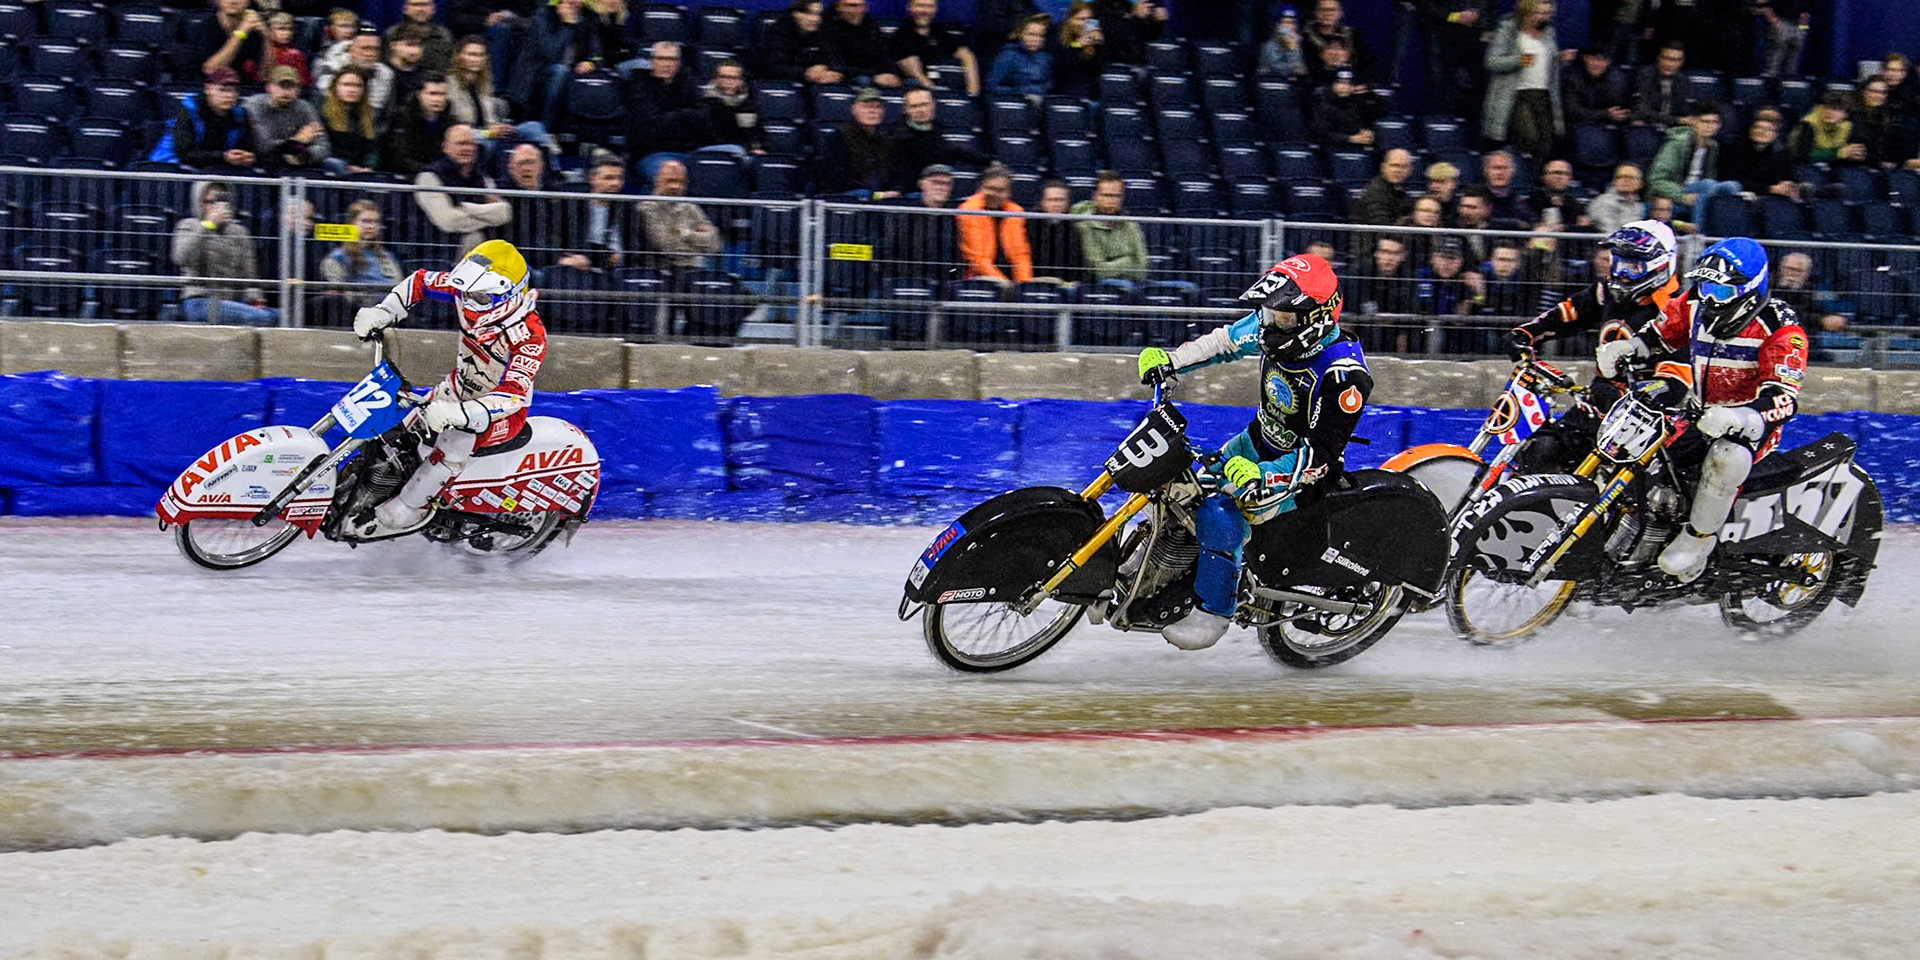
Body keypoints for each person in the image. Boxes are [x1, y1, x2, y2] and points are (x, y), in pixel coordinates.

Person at [1134, 254, 1372, 649]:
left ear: (1316, 317)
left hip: (1298, 475)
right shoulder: (1272, 323)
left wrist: (1264, 475)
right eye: (1267, 311)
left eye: (1282, 317)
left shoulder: (1343, 377)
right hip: (1255, 441)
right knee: (1176, 483)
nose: (1268, 322)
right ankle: (1146, 568)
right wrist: (1172, 361)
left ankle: (1213, 612)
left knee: (1218, 513)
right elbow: (1226, 341)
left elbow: (1321, 456)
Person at [1595, 237, 1807, 582]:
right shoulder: (1693, 302)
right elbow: (1662, 334)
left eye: (1720, 292)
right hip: (1697, 412)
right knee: (1640, 447)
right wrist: (1629, 347)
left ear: (1749, 289)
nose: (1709, 298)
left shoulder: (1781, 328)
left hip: (1749, 426)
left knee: (1727, 458)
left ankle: (1698, 541)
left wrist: (1740, 417)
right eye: (1706, 286)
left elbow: (1784, 399)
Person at [347, 239, 548, 539]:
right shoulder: (467, 292)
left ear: (510, 294)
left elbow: (513, 394)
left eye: (478, 296)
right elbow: (420, 281)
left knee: (455, 440)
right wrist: (385, 311)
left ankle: (407, 508)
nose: (467, 302)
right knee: (398, 428)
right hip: (458, 387)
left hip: (501, 412)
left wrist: (462, 413)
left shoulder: (530, 335)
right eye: (465, 292)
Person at [1508, 220, 1677, 470]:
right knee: (1542, 450)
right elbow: (1570, 312)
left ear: (1659, 266)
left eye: (1633, 267)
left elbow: (1678, 375)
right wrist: (1527, 332)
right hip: (1596, 405)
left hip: (1644, 422)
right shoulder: (1607, 291)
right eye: (1618, 264)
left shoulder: (1675, 310)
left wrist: (1640, 393)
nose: (1621, 274)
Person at [172, 182, 280, 326]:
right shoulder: (188, 226)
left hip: (232, 301)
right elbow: (181, 257)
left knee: (283, 316)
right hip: (199, 300)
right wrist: (208, 225)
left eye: (222, 201)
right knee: (263, 318)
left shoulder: (239, 232)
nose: (216, 207)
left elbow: (249, 275)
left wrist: (254, 297)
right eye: (210, 202)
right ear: (199, 203)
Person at [1481, 0, 1563, 166]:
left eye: (1547, 13)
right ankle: (1518, 173)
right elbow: (1491, 61)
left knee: (1546, 143)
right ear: (1526, 12)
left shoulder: (1549, 33)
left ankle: (1533, 181)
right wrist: (1518, 60)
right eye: (1539, 13)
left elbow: (1548, 63)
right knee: (1529, 137)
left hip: (1543, 93)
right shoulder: (1508, 30)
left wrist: (1560, 59)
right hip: (1517, 94)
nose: (1544, 17)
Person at [415, 123, 513, 249]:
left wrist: (467, 209)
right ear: (445, 147)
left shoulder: (482, 178)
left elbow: (504, 213)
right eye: (461, 144)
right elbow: (448, 222)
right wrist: (488, 217)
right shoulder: (428, 177)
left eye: (471, 144)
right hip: (438, 252)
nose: (467, 148)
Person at [1651, 101, 1739, 230]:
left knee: (1732, 186)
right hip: (1675, 192)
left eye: (1714, 122)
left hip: (1700, 192)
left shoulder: (1712, 146)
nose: (1710, 126)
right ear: (1694, 122)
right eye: (1705, 122)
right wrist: (1681, 196)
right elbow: (1657, 179)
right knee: (1707, 185)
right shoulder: (1677, 143)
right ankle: (1698, 235)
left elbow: (1710, 176)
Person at [148, 68, 255, 168]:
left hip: (215, 167)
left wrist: (246, 156)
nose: (230, 96)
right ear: (207, 89)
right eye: (223, 90)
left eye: (234, 91)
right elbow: (184, 153)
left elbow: (246, 147)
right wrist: (223, 157)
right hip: (172, 166)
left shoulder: (240, 115)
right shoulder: (189, 110)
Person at [886, 86, 986, 193]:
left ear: (933, 104)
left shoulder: (937, 131)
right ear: (905, 110)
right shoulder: (895, 137)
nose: (921, 110)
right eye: (914, 106)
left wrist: (987, 161)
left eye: (924, 104)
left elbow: (956, 152)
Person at [879, 163, 960, 281]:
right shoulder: (905, 214)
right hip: (905, 279)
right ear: (921, 184)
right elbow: (890, 250)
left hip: (944, 281)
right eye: (936, 182)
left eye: (947, 184)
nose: (941, 187)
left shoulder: (956, 216)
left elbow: (957, 258)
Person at [637, 159, 722, 271]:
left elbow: (715, 245)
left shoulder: (691, 208)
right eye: (670, 181)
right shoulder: (646, 208)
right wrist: (696, 236)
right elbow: (667, 246)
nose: (675, 187)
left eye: (680, 182)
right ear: (657, 181)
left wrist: (683, 233)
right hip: (661, 270)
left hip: (693, 270)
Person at [560, 155, 642, 271]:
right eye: (609, 178)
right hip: (582, 268)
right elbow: (572, 244)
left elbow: (635, 247)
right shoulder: (574, 205)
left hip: (619, 271)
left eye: (619, 178)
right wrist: (606, 257)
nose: (615, 183)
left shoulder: (628, 208)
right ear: (592, 179)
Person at [245, 65, 331, 173]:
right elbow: (264, 146)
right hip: (261, 162)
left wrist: (304, 155)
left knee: (333, 165)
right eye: (282, 85)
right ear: (269, 87)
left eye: (291, 86)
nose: (286, 91)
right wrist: (299, 140)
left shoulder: (305, 108)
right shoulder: (254, 105)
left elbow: (324, 146)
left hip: (299, 161)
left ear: (298, 90)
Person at [957, 163, 1033, 285]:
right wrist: (1004, 283)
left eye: (1000, 190)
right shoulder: (969, 210)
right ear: (980, 188)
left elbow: (1020, 254)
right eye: (990, 188)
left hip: (1009, 278)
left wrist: (1023, 284)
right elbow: (976, 258)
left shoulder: (1016, 212)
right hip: (978, 277)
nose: (994, 194)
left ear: (1008, 193)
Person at [1072, 170, 1149, 283]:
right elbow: (1098, 270)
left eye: (1117, 196)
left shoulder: (1131, 225)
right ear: (1095, 195)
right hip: (1099, 286)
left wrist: (1114, 265)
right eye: (1107, 195)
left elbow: (1143, 270)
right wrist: (1128, 261)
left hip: (1134, 283)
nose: (1112, 200)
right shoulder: (1083, 222)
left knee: (1182, 285)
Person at [889, 0, 979, 95]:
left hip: (943, 88)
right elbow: (912, 70)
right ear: (909, 8)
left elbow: (965, 54)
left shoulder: (939, 31)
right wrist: (932, 89)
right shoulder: (900, 37)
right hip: (916, 93)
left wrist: (973, 93)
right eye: (920, 6)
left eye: (930, 6)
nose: (925, 11)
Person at [758, 0, 845, 85]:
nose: (814, 19)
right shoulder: (778, 32)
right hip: (780, 83)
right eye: (808, 13)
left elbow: (836, 58)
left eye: (818, 14)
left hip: (816, 82)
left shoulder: (823, 32)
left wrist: (827, 68)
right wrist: (805, 73)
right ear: (794, 13)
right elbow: (773, 67)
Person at [383, 74, 455, 177]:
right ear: (419, 94)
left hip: (441, 175)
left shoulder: (451, 122)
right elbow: (398, 157)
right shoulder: (400, 118)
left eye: (442, 94)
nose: (438, 99)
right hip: (407, 176)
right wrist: (430, 170)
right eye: (432, 94)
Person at [321, 200, 403, 285]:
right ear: (352, 223)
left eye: (375, 222)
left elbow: (398, 284)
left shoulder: (386, 256)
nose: (371, 226)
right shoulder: (338, 257)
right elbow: (339, 291)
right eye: (365, 221)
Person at [316, 30, 397, 118]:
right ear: (350, 50)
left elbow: (376, 111)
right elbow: (324, 98)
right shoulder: (333, 66)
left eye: (375, 49)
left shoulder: (385, 73)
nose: (370, 54)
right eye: (365, 48)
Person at [822, 0, 900, 87]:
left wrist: (889, 73)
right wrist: (873, 75)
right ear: (838, 7)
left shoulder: (871, 25)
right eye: (851, 6)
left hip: (869, 77)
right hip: (842, 80)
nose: (856, 11)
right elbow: (835, 64)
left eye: (861, 6)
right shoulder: (824, 27)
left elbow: (884, 54)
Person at [1720, 113, 1797, 201]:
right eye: (1758, 127)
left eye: (1768, 129)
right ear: (1751, 130)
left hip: (1768, 198)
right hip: (1737, 196)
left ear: (1775, 135)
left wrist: (1787, 185)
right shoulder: (1735, 149)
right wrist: (1770, 189)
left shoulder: (1779, 155)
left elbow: (1785, 178)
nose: (1761, 131)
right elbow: (1736, 180)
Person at [320, 67, 381, 172]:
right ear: (334, 87)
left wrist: (368, 166)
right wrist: (348, 167)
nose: (352, 90)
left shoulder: (368, 116)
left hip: (362, 173)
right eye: (346, 84)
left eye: (358, 86)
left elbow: (372, 149)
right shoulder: (322, 113)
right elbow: (323, 149)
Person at [1025, 180, 1085, 284]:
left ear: (1067, 203)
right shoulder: (1029, 225)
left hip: (1066, 285)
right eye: (1051, 200)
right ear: (1042, 202)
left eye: (1060, 200)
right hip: (1035, 282)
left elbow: (1078, 265)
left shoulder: (1074, 229)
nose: (1056, 204)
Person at [703, 59, 763, 156]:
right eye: (724, 77)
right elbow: (714, 136)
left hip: (744, 152)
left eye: (733, 78)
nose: (729, 82)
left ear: (740, 81)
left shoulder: (749, 106)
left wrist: (761, 148)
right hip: (712, 151)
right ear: (715, 79)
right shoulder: (705, 104)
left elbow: (759, 134)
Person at [987, 15, 1053, 101]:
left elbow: (1049, 84)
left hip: (1040, 103)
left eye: (1041, 36)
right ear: (1021, 34)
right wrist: (1018, 92)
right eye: (1031, 34)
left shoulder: (1046, 57)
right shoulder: (1008, 55)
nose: (1036, 39)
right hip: (1014, 102)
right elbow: (992, 85)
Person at [1563, 42, 1629, 127]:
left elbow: (1622, 108)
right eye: (1593, 59)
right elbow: (1572, 111)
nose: (1597, 64)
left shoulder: (1617, 80)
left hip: (1611, 127)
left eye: (1602, 60)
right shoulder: (1572, 78)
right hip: (1579, 126)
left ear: (1608, 62)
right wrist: (1604, 114)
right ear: (1585, 58)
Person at [1051, 2, 1107, 101]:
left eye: (1089, 20)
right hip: (1062, 89)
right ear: (1070, 20)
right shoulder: (1058, 36)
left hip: (1088, 92)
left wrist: (1098, 46)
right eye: (1081, 19)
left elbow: (1097, 71)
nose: (1085, 24)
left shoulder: (1095, 39)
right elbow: (1061, 69)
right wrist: (1077, 45)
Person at [386, 0, 457, 74]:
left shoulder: (444, 36)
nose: (421, 9)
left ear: (433, 9)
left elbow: (448, 68)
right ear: (405, 9)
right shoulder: (392, 34)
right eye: (415, 5)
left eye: (425, 5)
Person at [243, 11, 312, 87]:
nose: (287, 33)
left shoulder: (295, 54)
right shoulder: (257, 50)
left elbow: (304, 82)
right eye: (281, 29)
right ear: (269, 30)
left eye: (289, 29)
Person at [1630, 40, 1687, 129]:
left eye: (1675, 60)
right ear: (1658, 58)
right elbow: (1642, 111)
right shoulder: (1644, 75)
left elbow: (1685, 110)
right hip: (1647, 126)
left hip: (1673, 128)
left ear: (1681, 62)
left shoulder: (1683, 80)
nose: (1669, 64)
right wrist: (1677, 120)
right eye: (1666, 58)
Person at [1354, 148, 1415, 226]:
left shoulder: (1399, 191)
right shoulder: (1375, 192)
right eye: (1394, 165)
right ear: (1383, 167)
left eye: (1404, 167)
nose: (1398, 170)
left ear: (1410, 170)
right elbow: (1381, 225)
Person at [1586, 163, 1647, 235]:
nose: (1626, 180)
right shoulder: (1603, 202)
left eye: (1630, 177)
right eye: (1621, 177)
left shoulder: (1639, 207)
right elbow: (1609, 231)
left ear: (1640, 183)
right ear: (1614, 181)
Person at [1258, 7, 1308, 79]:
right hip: (1272, 83)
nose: (1289, 26)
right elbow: (1279, 69)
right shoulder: (1270, 45)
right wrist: (1294, 50)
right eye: (1286, 22)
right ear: (1278, 25)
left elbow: (1304, 68)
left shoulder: (1301, 42)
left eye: (1292, 23)